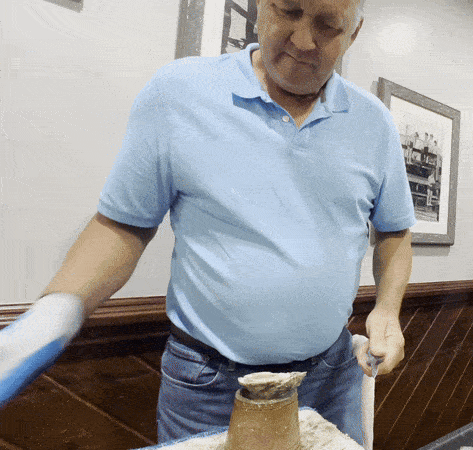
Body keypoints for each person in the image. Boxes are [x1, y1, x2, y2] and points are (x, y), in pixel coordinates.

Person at [0, 0, 416, 445]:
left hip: (330, 377)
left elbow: (394, 231)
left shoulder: (374, 124)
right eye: (288, 11)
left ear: (353, 34)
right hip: (208, 383)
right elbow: (124, 225)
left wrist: (388, 309)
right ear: (261, 6)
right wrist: (55, 312)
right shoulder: (179, 91)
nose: (301, 40)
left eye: (327, 26)